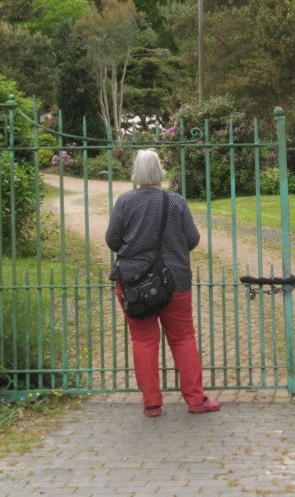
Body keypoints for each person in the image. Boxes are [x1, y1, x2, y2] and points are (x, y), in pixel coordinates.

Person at [105, 149, 221, 417]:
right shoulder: (176, 201)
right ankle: (195, 400)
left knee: (143, 340)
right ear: (159, 171)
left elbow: (112, 240)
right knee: (182, 338)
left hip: (134, 283)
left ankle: (152, 403)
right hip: (174, 280)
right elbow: (192, 238)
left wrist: (135, 249)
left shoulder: (125, 202)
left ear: (136, 172)